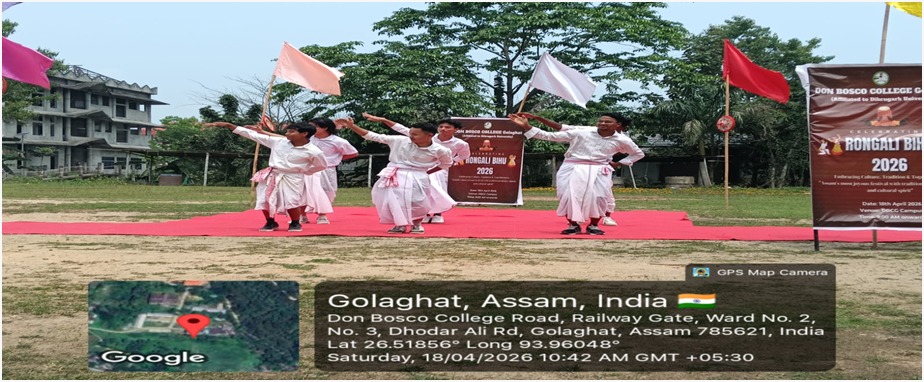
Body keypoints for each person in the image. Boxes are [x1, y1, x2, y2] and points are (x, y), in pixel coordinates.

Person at [508, 112, 644, 235]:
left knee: (599, 197)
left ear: (617, 125)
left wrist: (618, 163)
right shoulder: (582, 131)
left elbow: (638, 154)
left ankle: (593, 225)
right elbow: (550, 136)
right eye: (601, 121)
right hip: (572, 166)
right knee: (568, 196)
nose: (602, 123)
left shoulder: (623, 140)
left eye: (607, 122)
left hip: (599, 169)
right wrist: (527, 126)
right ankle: (573, 225)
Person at [203, 121, 327, 232]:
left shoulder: (313, 151)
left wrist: (304, 171)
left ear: (304, 133)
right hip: (272, 174)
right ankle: (270, 222)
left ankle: (295, 223)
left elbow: (321, 165)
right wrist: (229, 126)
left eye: (291, 131)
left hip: (293, 176)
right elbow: (254, 135)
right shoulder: (278, 142)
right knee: (264, 199)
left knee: (292, 200)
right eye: (287, 131)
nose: (287, 134)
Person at [335, 116, 452, 234]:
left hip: (419, 176)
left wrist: (427, 172)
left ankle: (417, 224)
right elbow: (373, 136)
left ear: (429, 135)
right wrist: (352, 126)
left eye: (415, 134)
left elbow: (446, 163)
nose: (411, 136)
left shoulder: (440, 150)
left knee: (418, 201)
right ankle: (399, 224)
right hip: (395, 173)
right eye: (410, 133)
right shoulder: (400, 140)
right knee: (393, 200)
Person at [362, 113, 470, 224]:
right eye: (441, 126)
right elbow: (401, 128)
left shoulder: (460, 143)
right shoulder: (427, 135)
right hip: (419, 166)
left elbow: (464, 156)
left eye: (447, 127)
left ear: (455, 129)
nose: (443, 129)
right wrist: (383, 119)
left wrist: (451, 162)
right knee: (421, 191)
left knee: (439, 190)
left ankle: (438, 214)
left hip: (439, 168)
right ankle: (425, 213)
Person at [303, 117, 359, 224]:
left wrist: (336, 159)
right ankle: (302, 215)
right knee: (304, 191)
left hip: (326, 170)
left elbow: (353, 152)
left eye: (314, 126)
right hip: (309, 169)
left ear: (324, 128)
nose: (310, 128)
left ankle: (322, 215)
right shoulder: (309, 138)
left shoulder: (338, 141)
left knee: (326, 191)